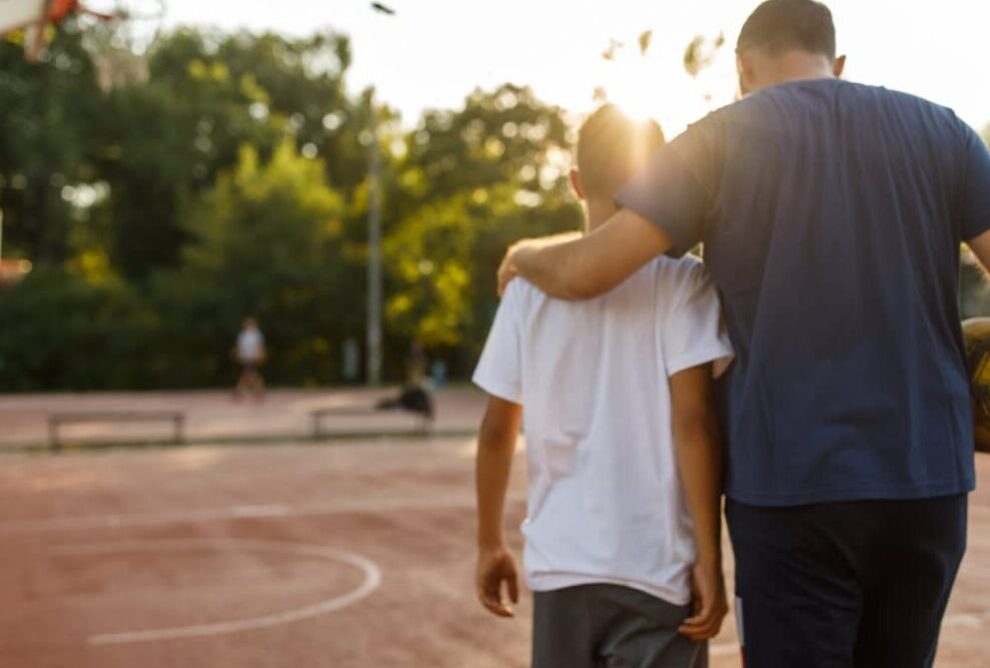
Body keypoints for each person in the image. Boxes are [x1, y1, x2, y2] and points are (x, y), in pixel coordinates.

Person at [497, 2, 990, 666]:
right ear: (836, 63)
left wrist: (523, 254)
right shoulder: (945, 133)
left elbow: (591, 270)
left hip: (792, 489)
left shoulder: (718, 140)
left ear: (742, 69)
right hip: (927, 479)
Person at [474, 105, 734, 668]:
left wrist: (489, 542)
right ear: (663, 181)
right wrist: (710, 559)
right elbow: (694, 423)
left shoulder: (525, 290)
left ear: (574, 182)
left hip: (563, 567)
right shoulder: (684, 282)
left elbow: (497, 431)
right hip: (656, 570)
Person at [234, 317, 266, 401]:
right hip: (245, 357)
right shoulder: (242, 335)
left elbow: (260, 346)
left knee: (248, 374)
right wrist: (239, 355)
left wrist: (260, 355)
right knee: (250, 375)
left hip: (253, 357)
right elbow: (240, 346)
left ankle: (239, 392)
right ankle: (258, 392)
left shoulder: (257, 334)